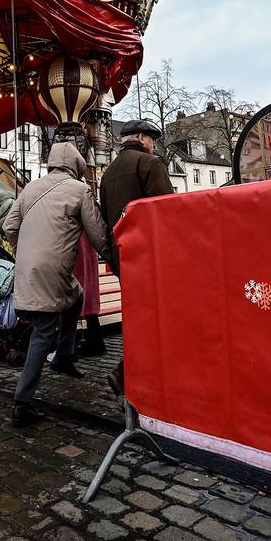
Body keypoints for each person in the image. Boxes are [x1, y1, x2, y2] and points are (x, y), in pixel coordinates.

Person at [2, 142, 109, 427]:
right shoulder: (79, 190)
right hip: (54, 268)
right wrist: (115, 256)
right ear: (76, 165)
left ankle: (63, 355)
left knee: (76, 296)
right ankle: (22, 404)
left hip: (28, 267)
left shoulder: (30, 188)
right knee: (42, 333)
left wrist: (25, 250)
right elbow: (97, 235)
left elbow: (8, 227)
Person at [97, 119, 175, 396]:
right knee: (159, 318)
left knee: (137, 316)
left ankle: (131, 374)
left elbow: (105, 220)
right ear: (142, 137)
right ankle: (127, 374)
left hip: (123, 257)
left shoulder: (108, 174)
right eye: (152, 139)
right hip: (151, 256)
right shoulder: (149, 165)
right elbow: (167, 212)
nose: (154, 145)